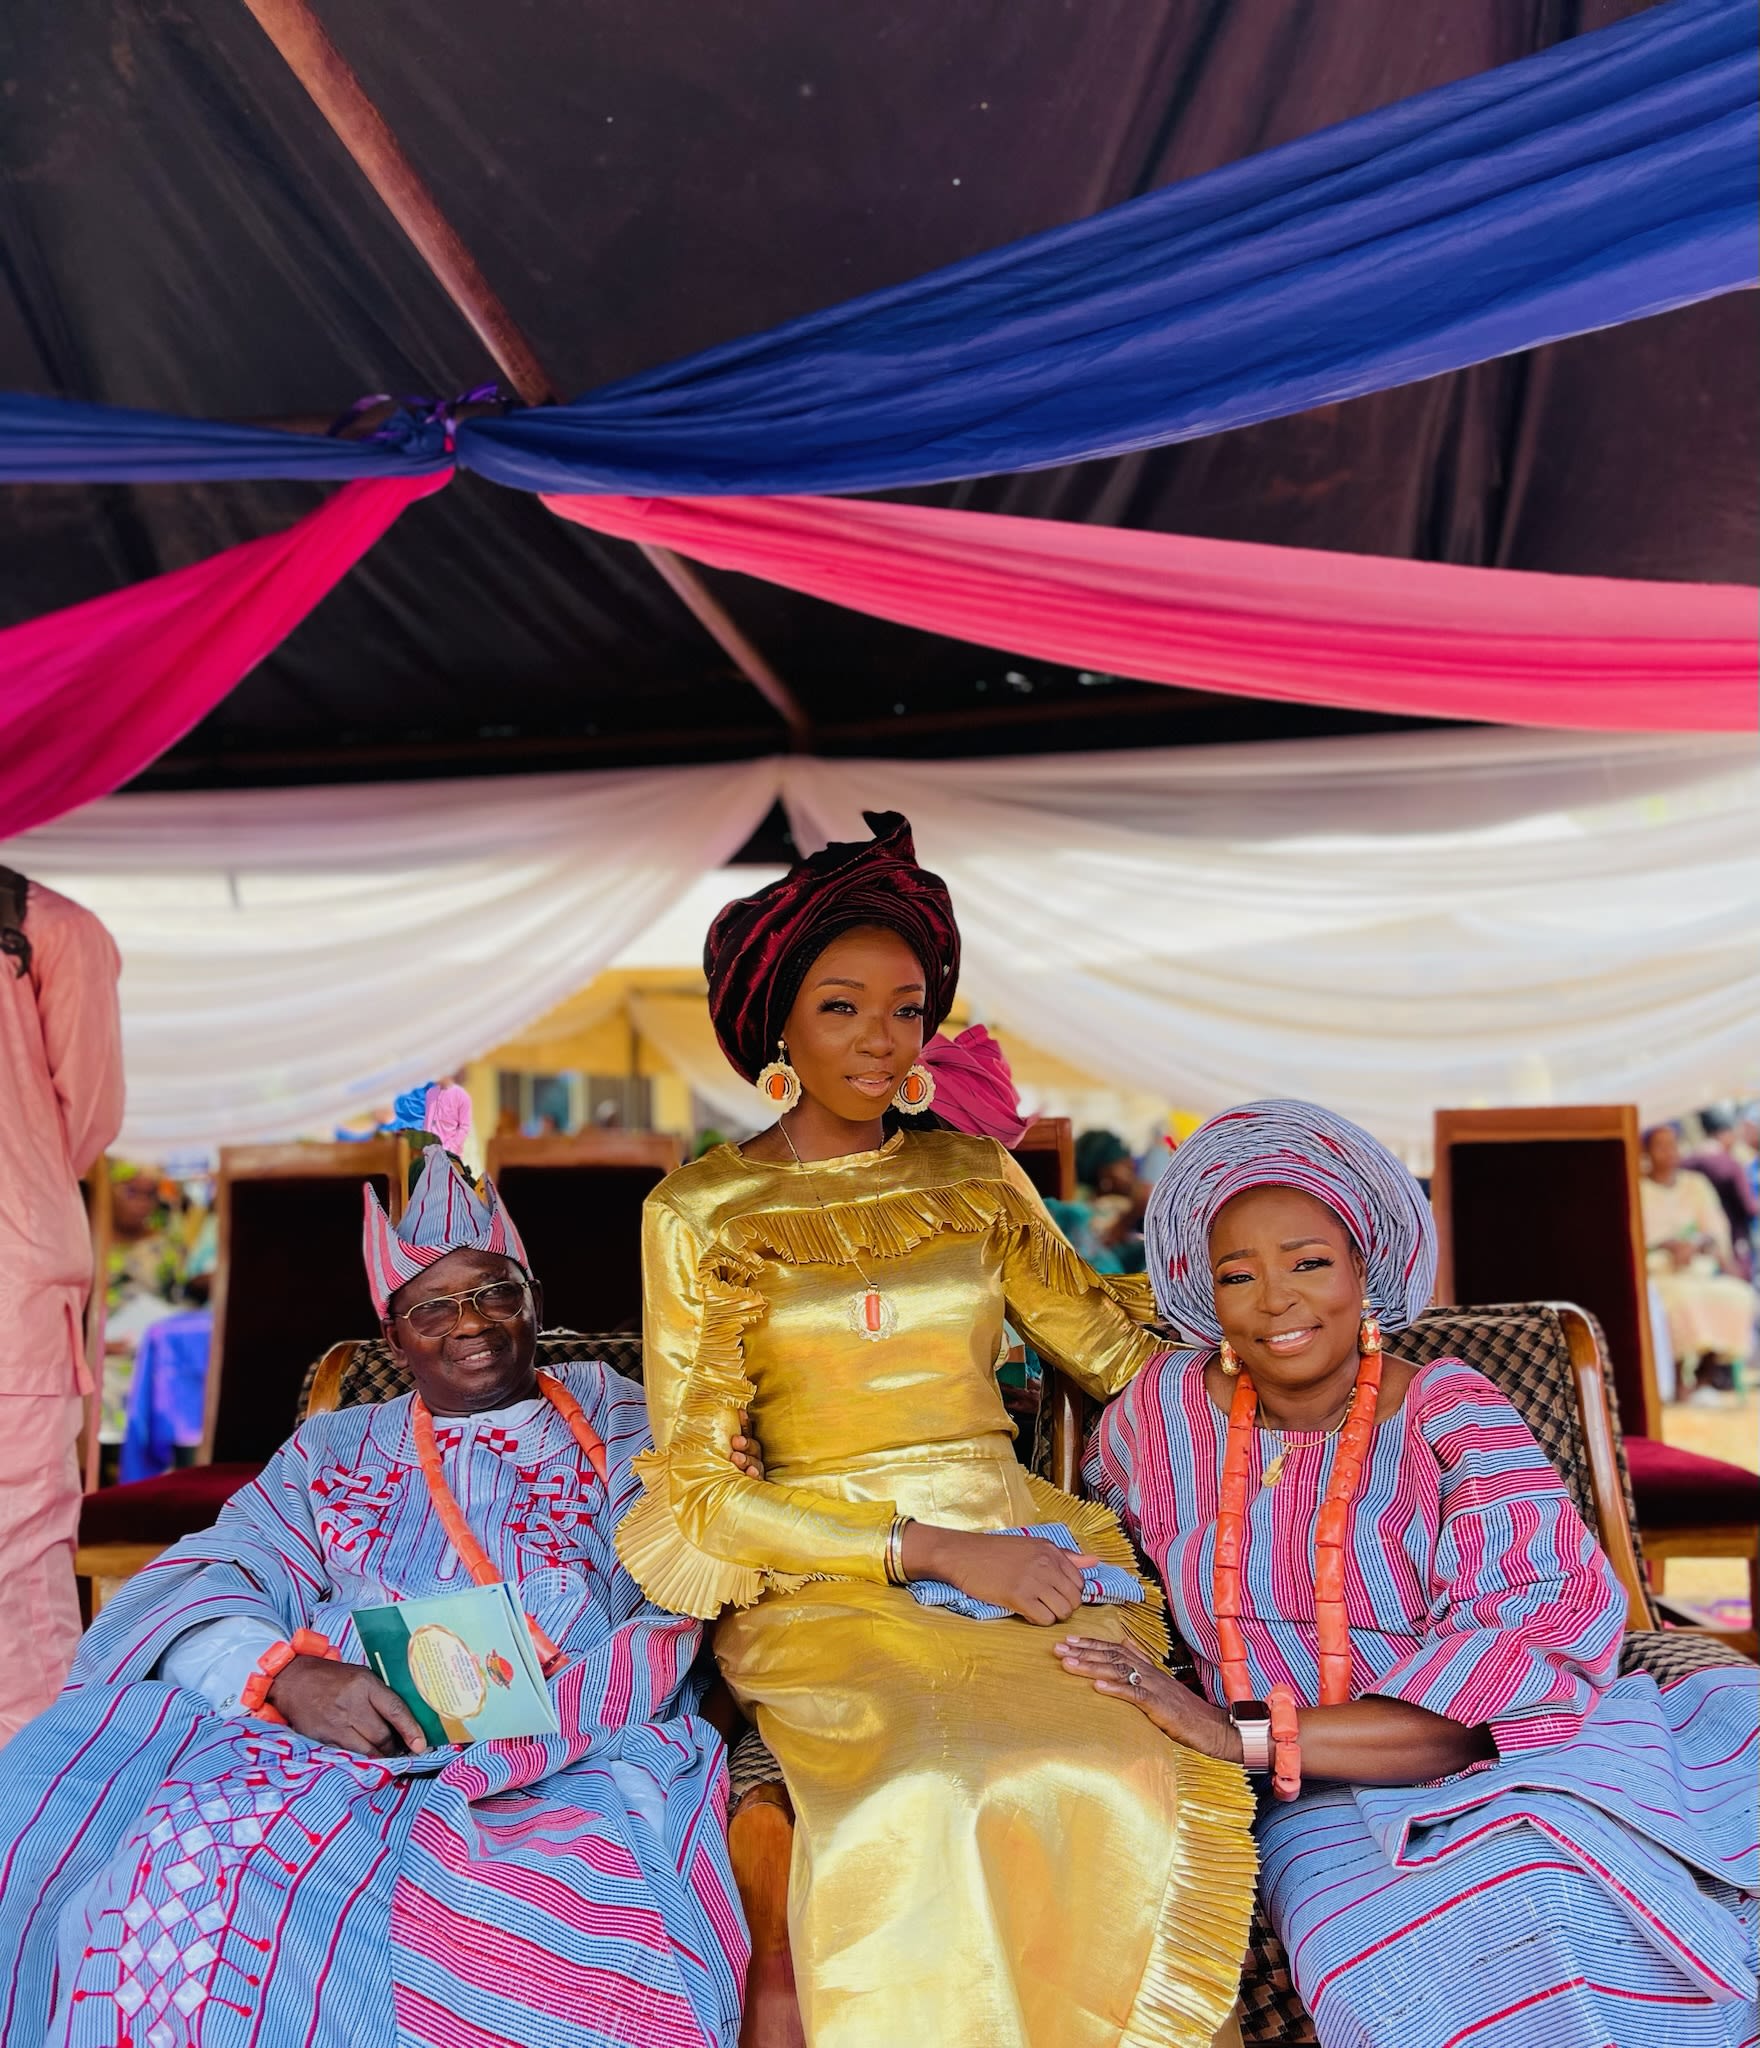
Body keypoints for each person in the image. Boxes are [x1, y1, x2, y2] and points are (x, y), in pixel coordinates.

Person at [621, 813, 1254, 2048]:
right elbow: (699, 1492)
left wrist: (1276, 1338)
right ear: (778, 1025)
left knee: (1115, 1761)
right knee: (930, 1781)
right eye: (843, 1007)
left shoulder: (971, 1173)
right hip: (825, 1577)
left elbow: (1111, 1352)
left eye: (906, 1009)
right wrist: (934, 1550)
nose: (881, 1038)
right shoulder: (698, 1209)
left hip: (1023, 1547)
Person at [0, 1147, 747, 2048]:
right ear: (393, 1340)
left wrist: (718, 1489)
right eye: (433, 1307)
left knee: (535, 1919)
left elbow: (690, 1572)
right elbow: (220, 1568)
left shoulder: (628, 1418)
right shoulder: (334, 1447)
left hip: (563, 1735)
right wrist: (286, 1678)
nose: (471, 1322)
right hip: (324, 1732)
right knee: (162, 1858)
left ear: (535, 1304)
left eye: (496, 1293)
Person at [1059, 1099, 1758, 2048]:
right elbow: (1094, 1539)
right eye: (1238, 1274)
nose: (1276, 1300)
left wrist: (1233, 1732)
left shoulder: (1449, 1411)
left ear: (1365, 1271)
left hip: (1507, 1759)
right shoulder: (1161, 1412)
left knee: (1557, 1896)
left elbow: (1512, 1667)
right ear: (1206, 1296)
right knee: (1429, 1955)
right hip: (1307, 1802)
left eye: (1310, 1262)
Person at [0, 865, 124, 1743]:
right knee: (16, 1567)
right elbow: (80, 1120)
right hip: (14, 1257)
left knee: (16, 1563)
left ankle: (29, 1802)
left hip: (13, 1281)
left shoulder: (49, 931)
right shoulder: (47, 928)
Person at [1642, 1122, 1756, 1400]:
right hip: (1658, 1275)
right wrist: (1668, 1247)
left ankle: (1705, 1376)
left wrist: (1697, 1245)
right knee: (1679, 1301)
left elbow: (1715, 1229)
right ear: (1646, 1152)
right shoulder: (1638, 1189)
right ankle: (1677, 1379)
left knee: (1737, 1295)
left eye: (1672, 1145)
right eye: (1660, 1146)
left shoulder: (1695, 1185)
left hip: (1698, 1271)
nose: (1668, 1152)